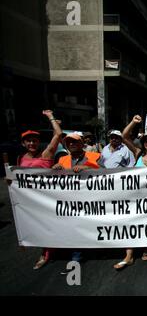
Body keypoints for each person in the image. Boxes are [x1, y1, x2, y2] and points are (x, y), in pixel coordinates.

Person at [114, 115, 147, 269]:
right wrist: (133, 122)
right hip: (134, 196)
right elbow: (123, 136)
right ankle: (129, 255)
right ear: (143, 143)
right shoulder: (137, 153)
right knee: (131, 223)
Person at [18, 110, 63, 270]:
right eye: (28, 141)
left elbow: (58, 134)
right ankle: (46, 252)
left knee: (52, 225)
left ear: (39, 142)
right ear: (23, 144)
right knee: (40, 226)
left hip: (49, 198)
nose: (32, 144)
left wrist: (50, 117)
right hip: (31, 201)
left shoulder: (46, 154)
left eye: (34, 141)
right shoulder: (20, 159)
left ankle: (52, 252)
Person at [53, 132, 101, 273]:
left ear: (82, 144)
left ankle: (93, 249)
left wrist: (88, 168)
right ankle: (76, 256)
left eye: (74, 142)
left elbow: (106, 172)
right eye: (69, 142)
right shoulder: (62, 159)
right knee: (75, 227)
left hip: (91, 201)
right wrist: (55, 169)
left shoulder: (94, 156)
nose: (72, 144)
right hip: (70, 201)